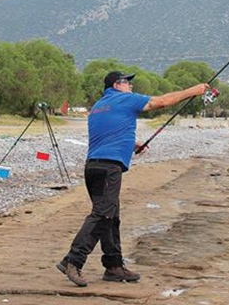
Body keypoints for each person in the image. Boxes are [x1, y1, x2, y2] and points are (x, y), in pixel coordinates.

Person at [57, 71, 209, 287]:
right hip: (109, 168)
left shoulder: (100, 106)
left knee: (110, 216)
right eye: (128, 82)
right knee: (102, 215)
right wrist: (194, 91)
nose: (131, 86)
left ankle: (114, 266)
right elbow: (163, 102)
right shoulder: (125, 99)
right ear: (118, 85)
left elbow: (108, 131)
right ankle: (73, 260)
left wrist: (133, 144)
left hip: (93, 167)